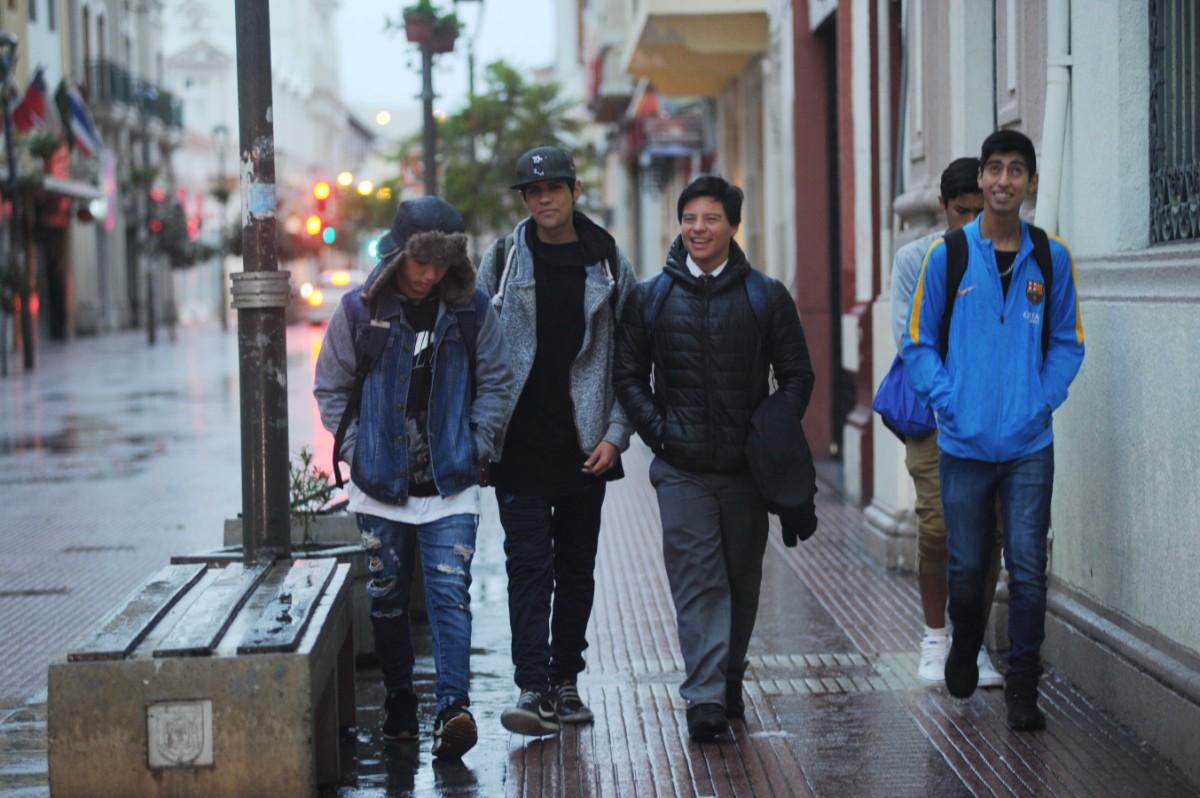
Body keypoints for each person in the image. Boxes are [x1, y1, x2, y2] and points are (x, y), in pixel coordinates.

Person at [613, 175, 815, 742]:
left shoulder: (765, 295)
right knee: (697, 581)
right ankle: (704, 698)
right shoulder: (651, 297)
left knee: (741, 582)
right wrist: (661, 433)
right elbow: (628, 375)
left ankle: (728, 679)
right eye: (689, 219)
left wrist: (767, 431)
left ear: (732, 226)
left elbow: (797, 376)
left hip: (745, 472)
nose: (698, 229)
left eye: (710, 219)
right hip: (680, 471)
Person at [313, 196, 513, 759]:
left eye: (441, 263)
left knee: (452, 594)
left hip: (451, 486)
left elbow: (496, 381)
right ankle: (401, 698)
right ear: (399, 255)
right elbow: (331, 389)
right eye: (421, 261)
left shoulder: (471, 310)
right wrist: (360, 449)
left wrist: (476, 445)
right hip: (380, 490)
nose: (430, 274)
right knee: (387, 598)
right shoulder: (359, 311)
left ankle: (453, 707)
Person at [903, 130, 1085, 730]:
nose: (1004, 180)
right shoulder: (947, 257)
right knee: (968, 561)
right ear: (980, 180)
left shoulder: (1051, 257)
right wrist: (948, 400)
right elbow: (919, 344)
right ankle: (964, 639)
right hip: (963, 441)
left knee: (1029, 565)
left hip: (1030, 443)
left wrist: (1042, 399)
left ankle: (1024, 686)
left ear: (1030, 183)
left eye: (1016, 170)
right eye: (994, 169)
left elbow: (1067, 342)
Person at [478, 145, 637, 736]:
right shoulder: (502, 259)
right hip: (518, 447)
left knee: (575, 569)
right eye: (533, 192)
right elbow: (481, 357)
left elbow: (630, 359)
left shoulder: (608, 261)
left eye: (554, 189)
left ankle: (567, 683)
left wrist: (617, 435)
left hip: (584, 448)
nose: (544, 199)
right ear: (525, 200)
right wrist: (484, 438)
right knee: (527, 568)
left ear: (573, 192)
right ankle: (532, 685)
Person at [889, 157, 1004, 690]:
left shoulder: (1015, 253)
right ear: (943, 207)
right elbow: (912, 341)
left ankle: (971, 644)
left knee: (988, 536)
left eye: (980, 210)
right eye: (962, 212)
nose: (973, 221)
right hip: (936, 418)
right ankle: (936, 638)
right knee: (937, 527)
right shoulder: (917, 257)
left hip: (999, 421)